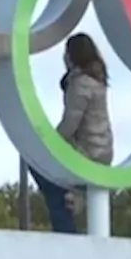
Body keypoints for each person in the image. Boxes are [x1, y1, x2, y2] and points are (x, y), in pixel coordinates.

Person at [24, 33, 114, 234]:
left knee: (37, 162)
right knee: (48, 169)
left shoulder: (80, 83)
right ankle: (73, 196)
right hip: (103, 151)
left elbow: (70, 124)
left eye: (66, 52)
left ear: (72, 56)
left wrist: (49, 143)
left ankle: (66, 221)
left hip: (87, 151)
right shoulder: (96, 80)